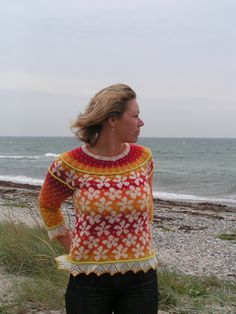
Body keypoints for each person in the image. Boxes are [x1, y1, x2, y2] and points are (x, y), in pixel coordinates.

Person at [38, 83, 159, 314]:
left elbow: (149, 205)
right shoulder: (69, 164)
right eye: (135, 116)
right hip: (89, 279)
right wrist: (71, 244)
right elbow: (47, 205)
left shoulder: (143, 158)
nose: (141, 122)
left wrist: (138, 243)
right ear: (113, 120)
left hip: (141, 278)